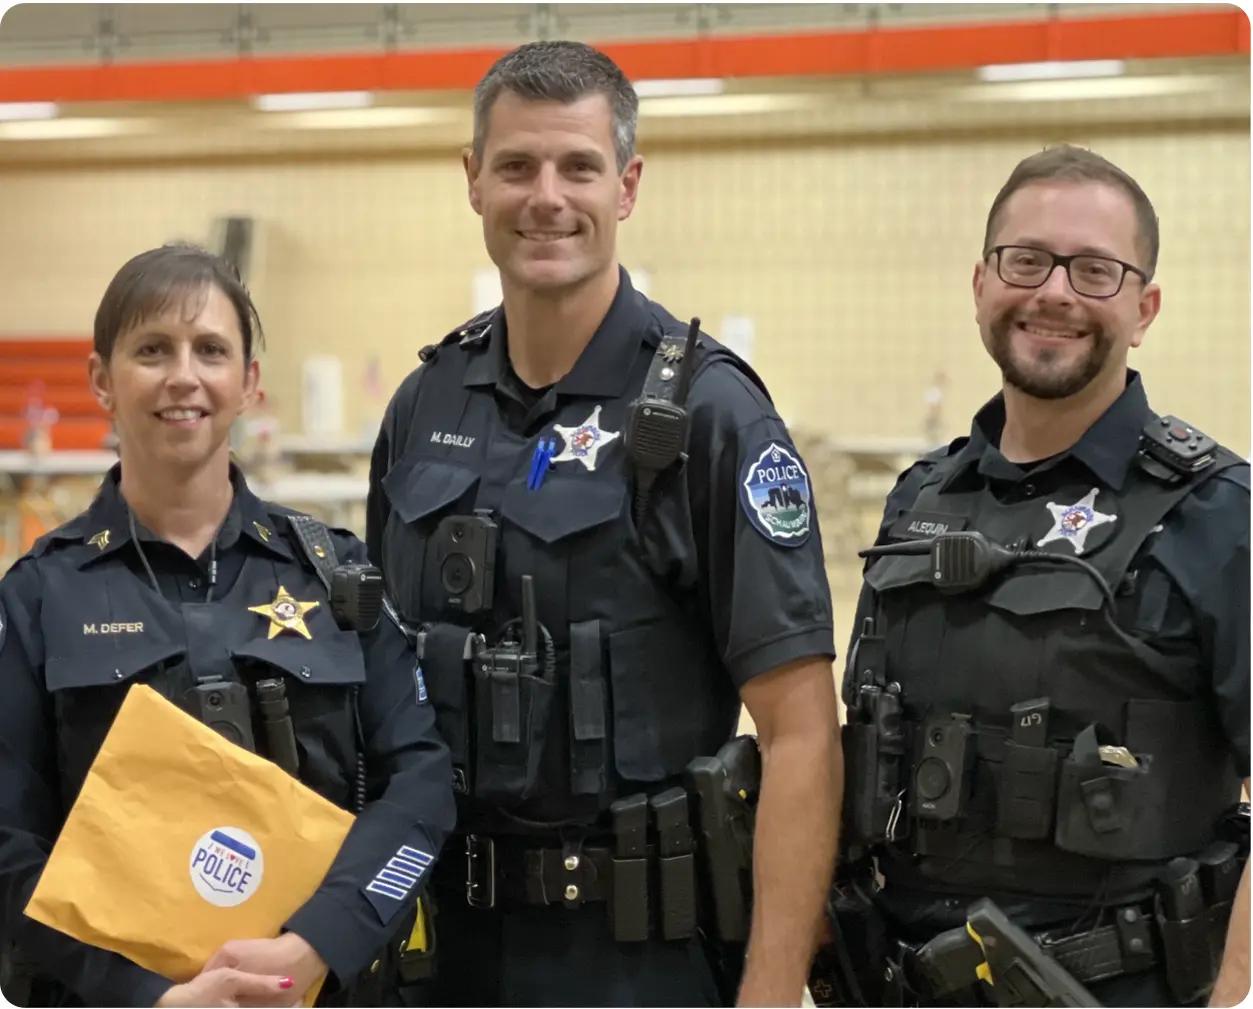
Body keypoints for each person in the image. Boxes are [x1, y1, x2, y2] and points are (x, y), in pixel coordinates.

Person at [366, 40, 841, 1007]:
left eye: (578, 166)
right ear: (472, 182)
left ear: (625, 186)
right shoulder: (424, 404)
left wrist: (771, 994)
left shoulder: (707, 415)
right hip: (436, 955)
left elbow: (799, 733)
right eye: (516, 166)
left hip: (634, 961)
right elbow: (381, 689)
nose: (546, 196)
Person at [834, 145, 1249, 1006]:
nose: (1053, 292)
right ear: (982, 284)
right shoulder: (918, 501)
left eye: (1095, 270)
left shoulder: (1219, 516)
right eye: (1025, 260)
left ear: (1144, 307)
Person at [0, 244, 456, 1008]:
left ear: (248, 383)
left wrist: (320, 943)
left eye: (210, 350)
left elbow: (423, 784)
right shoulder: (40, 596)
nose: (184, 376)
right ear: (101, 382)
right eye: (152, 350)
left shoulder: (333, 575)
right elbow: (9, 844)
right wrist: (143, 993)